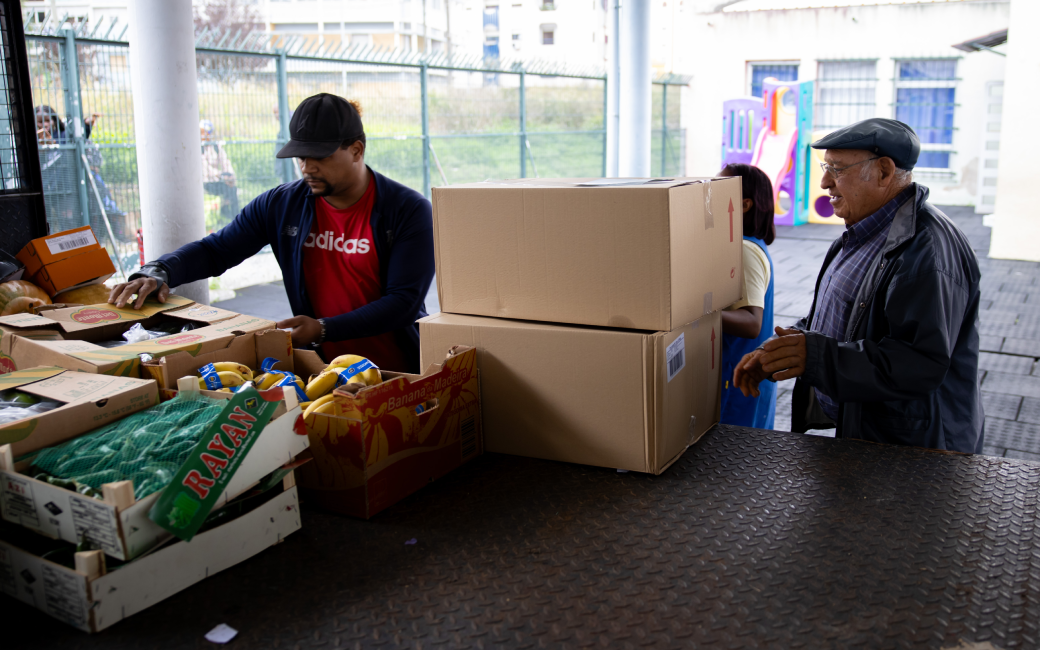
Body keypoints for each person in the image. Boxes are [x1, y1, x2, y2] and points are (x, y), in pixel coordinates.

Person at [109, 93, 435, 373]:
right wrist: (161, 270)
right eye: (301, 156)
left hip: (399, 370)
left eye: (319, 156)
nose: (307, 167)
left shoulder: (407, 211)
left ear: (356, 150)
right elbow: (216, 250)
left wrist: (323, 328)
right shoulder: (281, 205)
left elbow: (403, 302)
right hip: (323, 370)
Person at [733, 118, 983, 453]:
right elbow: (836, 318)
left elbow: (919, 363)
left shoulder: (927, 253)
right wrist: (785, 346)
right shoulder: (862, 233)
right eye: (826, 167)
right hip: (871, 438)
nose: (824, 182)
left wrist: (815, 356)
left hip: (913, 455)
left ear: (883, 171)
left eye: (836, 169)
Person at [718, 163, 776, 429]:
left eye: (717, 189)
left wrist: (693, 313)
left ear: (744, 205)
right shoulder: (742, 245)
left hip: (737, 381)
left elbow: (752, 322)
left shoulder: (744, 249)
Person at [200, 119, 240, 223]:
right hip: (207, 182)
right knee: (227, 188)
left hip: (219, 179)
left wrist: (231, 176)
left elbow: (225, 162)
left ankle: (235, 216)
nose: (202, 135)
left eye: (204, 132)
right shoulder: (199, 148)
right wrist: (222, 177)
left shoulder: (216, 147)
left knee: (232, 188)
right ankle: (225, 213)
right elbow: (206, 169)